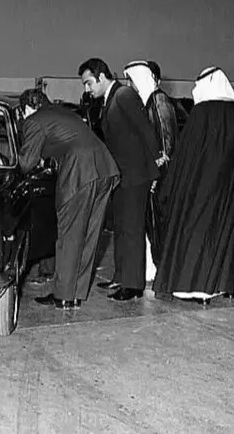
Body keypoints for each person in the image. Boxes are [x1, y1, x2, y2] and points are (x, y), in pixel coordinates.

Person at [153, 67, 234, 304]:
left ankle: (191, 288)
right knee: (221, 234)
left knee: (193, 235)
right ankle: (217, 287)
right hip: (230, 190)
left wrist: (171, 185)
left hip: (197, 188)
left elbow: (185, 154)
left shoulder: (202, 112)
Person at [18, 88, 120, 309]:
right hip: (105, 169)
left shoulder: (34, 120)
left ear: (27, 108)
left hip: (80, 173)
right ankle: (76, 293)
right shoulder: (63, 112)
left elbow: (26, 163)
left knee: (69, 235)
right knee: (89, 235)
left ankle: (63, 295)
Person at [78, 58, 159, 301]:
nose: (87, 89)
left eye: (89, 83)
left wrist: (156, 164)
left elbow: (145, 129)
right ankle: (121, 276)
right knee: (121, 228)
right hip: (122, 176)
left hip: (135, 176)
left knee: (132, 229)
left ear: (102, 76)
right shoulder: (110, 98)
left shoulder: (124, 95)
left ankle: (133, 285)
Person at [123, 60, 179, 280]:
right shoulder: (146, 102)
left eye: (131, 81)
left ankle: (163, 271)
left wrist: (156, 174)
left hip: (160, 178)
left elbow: (166, 143)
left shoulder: (159, 101)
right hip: (151, 175)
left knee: (159, 225)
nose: (129, 86)